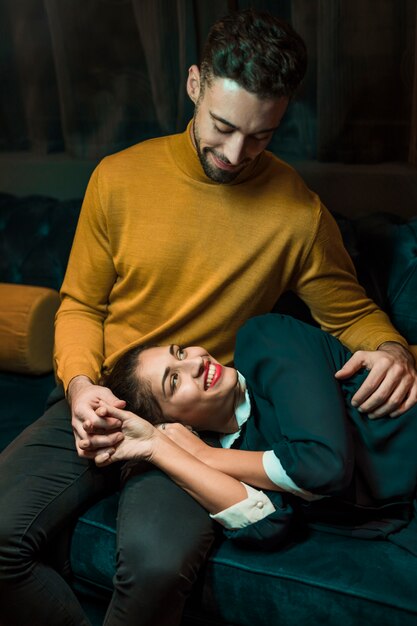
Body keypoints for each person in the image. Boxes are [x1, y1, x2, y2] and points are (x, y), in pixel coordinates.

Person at [0, 8, 416, 626]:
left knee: (157, 570)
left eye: (261, 136)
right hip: (103, 395)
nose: (235, 153)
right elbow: (82, 305)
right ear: (195, 84)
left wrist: (395, 352)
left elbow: (355, 316)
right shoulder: (117, 179)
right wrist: (82, 386)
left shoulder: (297, 215)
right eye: (222, 126)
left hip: (199, 426)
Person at [95, 313, 417, 553]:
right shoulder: (234, 451)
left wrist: (204, 456)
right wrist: (158, 447)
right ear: (175, 424)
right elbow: (267, 524)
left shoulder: (265, 340)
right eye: (174, 381)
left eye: (179, 352)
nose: (195, 362)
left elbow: (323, 465)